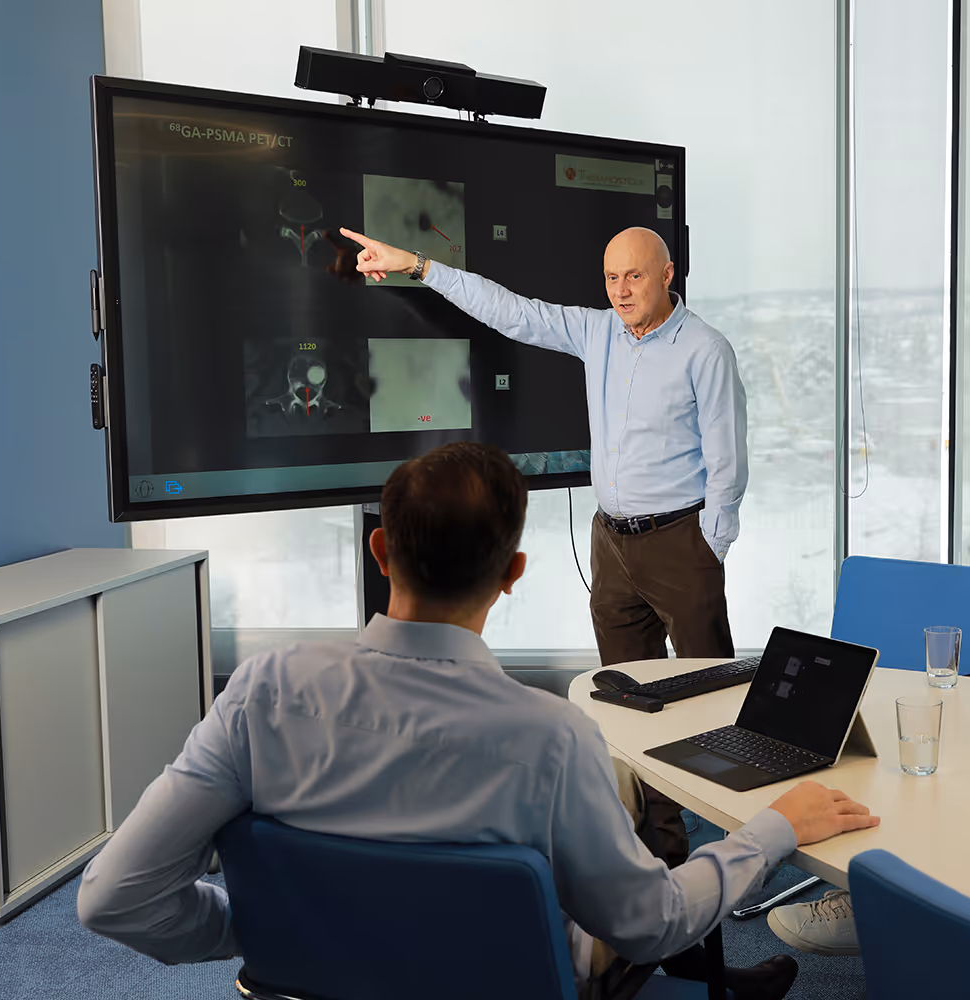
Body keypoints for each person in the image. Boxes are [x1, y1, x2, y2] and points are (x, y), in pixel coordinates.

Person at [77, 442, 879, 999]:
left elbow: (113, 899)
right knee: (626, 860)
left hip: (311, 981)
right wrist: (774, 827)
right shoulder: (551, 738)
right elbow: (650, 924)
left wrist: (277, 925)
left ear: (381, 551)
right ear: (513, 574)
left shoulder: (263, 692)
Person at [340, 225, 746, 668]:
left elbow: (727, 458)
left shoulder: (706, 350)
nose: (622, 292)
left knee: (708, 687)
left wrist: (710, 546)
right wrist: (417, 265)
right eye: (612, 278)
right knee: (628, 693)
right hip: (611, 544)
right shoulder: (598, 330)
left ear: (667, 274)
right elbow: (511, 311)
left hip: (681, 542)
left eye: (635, 276)